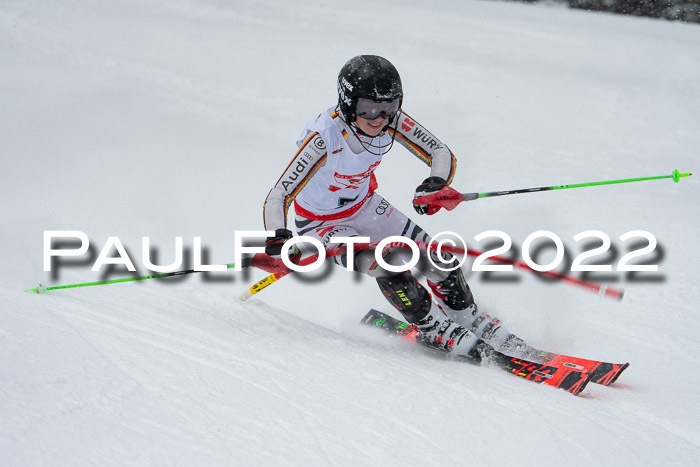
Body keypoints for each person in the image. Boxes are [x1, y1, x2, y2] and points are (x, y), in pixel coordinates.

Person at [263, 55, 522, 361]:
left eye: (388, 107)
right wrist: (278, 238)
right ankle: (431, 327)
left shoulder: (390, 119)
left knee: (437, 258)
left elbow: (439, 151)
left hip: (365, 206)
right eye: (368, 109)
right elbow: (279, 194)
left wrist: (434, 184)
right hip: (321, 225)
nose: (378, 119)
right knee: (387, 263)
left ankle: (467, 316)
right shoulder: (324, 138)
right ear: (348, 104)